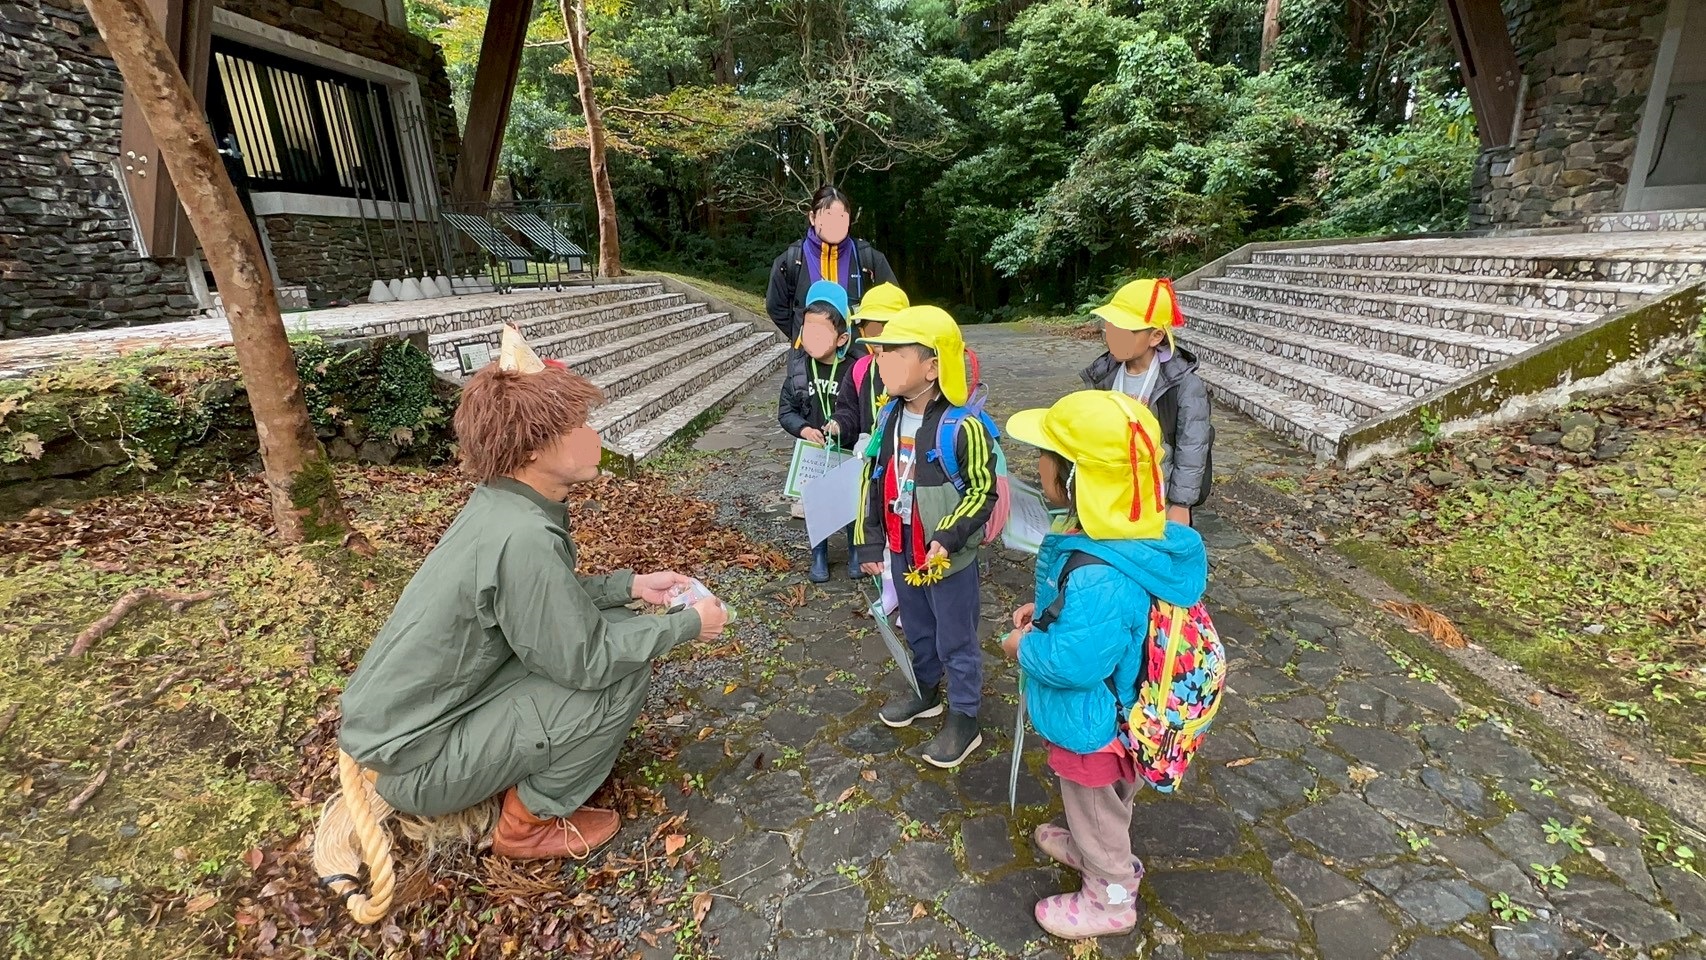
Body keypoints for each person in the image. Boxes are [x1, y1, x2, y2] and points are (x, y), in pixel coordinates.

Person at [331, 335, 730, 867]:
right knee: (622, 670)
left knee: (616, 619)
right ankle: (528, 821)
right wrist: (687, 627)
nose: (593, 436)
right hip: (418, 761)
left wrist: (629, 587)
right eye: (578, 426)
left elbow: (543, 605)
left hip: (410, 730)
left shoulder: (502, 507)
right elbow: (585, 660)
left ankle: (508, 771)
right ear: (534, 449)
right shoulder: (523, 536)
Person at [1000, 389, 1208, 939]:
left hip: (1097, 724)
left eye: (1045, 455)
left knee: (1095, 802)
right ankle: (1091, 842)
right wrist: (1045, 614)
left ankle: (1110, 891)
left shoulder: (1099, 572)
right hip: (1127, 707)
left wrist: (1025, 646)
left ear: (1074, 479)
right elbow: (1093, 623)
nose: (1036, 463)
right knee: (1105, 803)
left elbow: (1075, 663)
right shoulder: (1122, 538)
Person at [854, 305, 997, 769]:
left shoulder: (964, 427)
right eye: (881, 354)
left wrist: (950, 536)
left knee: (956, 637)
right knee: (917, 629)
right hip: (901, 550)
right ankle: (925, 691)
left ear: (933, 367)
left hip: (946, 560)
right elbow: (874, 480)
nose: (882, 363)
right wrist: (871, 542)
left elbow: (982, 490)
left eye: (896, 355)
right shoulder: (887, 417)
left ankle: (965, 715)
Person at [1079, 278, 1213, 525]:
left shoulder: (1184, 385)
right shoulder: (1103, 374)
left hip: (1159, 493)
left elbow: (1192, 448)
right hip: (1114, 488)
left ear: (1155, 337)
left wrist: (1181, 504)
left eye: (1124, 330)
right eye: (1111, 327)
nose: (1112, 336)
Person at [779, 280, 857, 582]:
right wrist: (803, 429)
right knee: (816, 504)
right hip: (812, 453)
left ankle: (855, 551)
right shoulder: (798, 370)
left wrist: (844, 426)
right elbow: (785, 411)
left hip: (847, 449)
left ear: (841, 338)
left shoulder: (855, 368)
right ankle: (820, 554)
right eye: (807, 330)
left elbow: (862, 408)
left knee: (851, 500)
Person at [765, 185, 897, 340]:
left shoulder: (869, 258)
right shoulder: (790, 260)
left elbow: (892, 304)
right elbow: (775, 307)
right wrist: (803, 338)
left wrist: (868, 338)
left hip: (856, 358)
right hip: (806, 359)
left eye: (841, 217)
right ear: (813, 218)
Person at [832, 282, 909, 443]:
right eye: (872, 328)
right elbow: (848, 409)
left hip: (909, 455)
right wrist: (839, 424)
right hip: (872, 458)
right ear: (861, 330)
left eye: (886, 327)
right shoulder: (859, 369)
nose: (879, 336)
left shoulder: (917, 368)